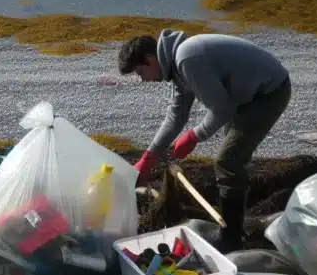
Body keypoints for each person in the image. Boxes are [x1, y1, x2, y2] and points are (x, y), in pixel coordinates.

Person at [117, 29, 292, 251]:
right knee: (233, 158)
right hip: (245, 95)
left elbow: (221, 110)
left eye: (140, 72)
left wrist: (194, 135)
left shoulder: (187, 59)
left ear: (150, 59)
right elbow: (176, 115)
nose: (142, 80)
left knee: (228, 161)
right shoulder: (178, 63)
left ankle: (231, 237)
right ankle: (234, 223)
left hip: (268, 93)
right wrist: (149, 157)